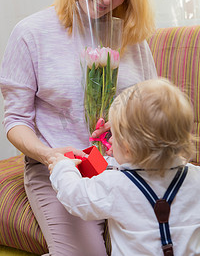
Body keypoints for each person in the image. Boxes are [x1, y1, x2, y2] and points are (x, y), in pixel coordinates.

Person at [0, 0, 157, 255]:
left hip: (125, 168)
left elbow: (149, 108)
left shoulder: (133, 38)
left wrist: (131, 125)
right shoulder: (30, 33)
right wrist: (49, 156)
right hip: (61, 171)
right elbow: (16, 121)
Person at [48, 78, 200, 256]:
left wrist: (62, 167)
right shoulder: (195, 177)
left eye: (115, 135)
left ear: (128, 148)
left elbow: (75, 196)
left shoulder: (114, 185)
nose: (110, 140)